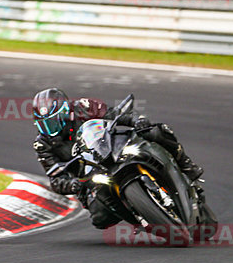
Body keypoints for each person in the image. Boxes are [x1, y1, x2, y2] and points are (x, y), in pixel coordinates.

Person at [31, 88, 203, 230]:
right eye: (44, 124)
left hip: (111, 147)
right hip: (90, 174)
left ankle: (187, 165)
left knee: (157, 132)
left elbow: (117, 114)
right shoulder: (43, 145)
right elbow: (55, 180)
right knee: (100, 218)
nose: (49, 129)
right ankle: (139, 215)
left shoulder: (83, 107)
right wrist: (74, 184)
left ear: (66, 112)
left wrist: (138, 122)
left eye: (53, 122)